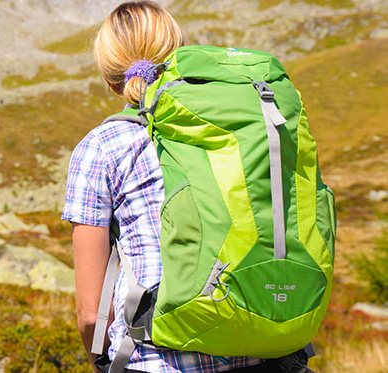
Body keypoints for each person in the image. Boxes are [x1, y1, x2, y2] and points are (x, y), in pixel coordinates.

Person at [63, 1, 310, 372]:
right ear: (177, 53)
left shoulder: (103, 146)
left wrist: (100, 361)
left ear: (110, 78)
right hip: (270, 350)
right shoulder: (233, 127)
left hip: (158, 359)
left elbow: (91, 315)